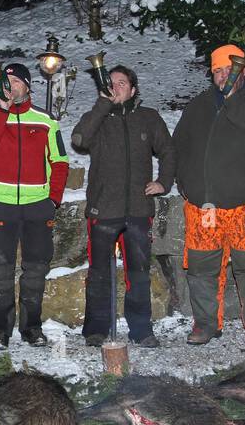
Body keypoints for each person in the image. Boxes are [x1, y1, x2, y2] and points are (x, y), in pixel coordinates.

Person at [171, 44, 245, 359]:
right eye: (218, 71)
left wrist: (232, 100)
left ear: (243, 70)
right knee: (201, 268)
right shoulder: (198, 105)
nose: (223, 76)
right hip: (205, 207)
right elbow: (178, 145)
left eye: (229, 70)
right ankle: (205, 324)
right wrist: (184, 181)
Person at [71, 65, 175, 347]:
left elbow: (168, 151)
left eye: (121, 82)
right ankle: (96, 330)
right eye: (111, 83)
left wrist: (163, 182)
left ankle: (141, 330)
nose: (115, 87)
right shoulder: (98, 118)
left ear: (133, 89)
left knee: (138, 274)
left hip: (139, 210)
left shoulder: (148, 118)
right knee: (99, 273)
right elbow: (79, 140)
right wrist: (102, 105)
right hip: (103, 209)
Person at [0, 62, 70, 349]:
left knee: (35, 269)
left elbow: (61, 161)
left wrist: (53, 199)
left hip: (38, 207)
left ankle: (32, 328)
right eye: (6, 81)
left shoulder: (45, 120)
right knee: (1, 270)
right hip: (2, 205)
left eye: (16, 81)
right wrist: (3, 112)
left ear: (28, 86)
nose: (11, 86)